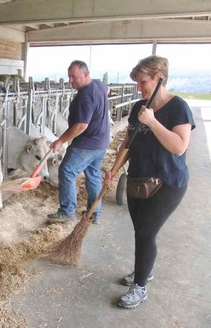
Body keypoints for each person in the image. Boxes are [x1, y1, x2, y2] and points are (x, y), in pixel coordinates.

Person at [105, 55, 195, 309]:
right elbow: (127, 144)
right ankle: (144, 270)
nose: (139, 87)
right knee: (141, 232)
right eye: (136, 82)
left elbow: (179, 146)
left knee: (146, 232)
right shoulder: (138, 108)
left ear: (160, 79)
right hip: (138, 181)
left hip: (168, 182)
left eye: (143, 81)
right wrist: (113, 170)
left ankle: (141, 286)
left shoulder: (178, 107)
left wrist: (153, 122)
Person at [48, 60, 110, 224]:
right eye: (69, 76)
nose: (70, 81)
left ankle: (67, 212)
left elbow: (82, 125)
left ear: (86, 74)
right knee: (93, 175)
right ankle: (94, 213)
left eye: (74, 77)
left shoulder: (85, 95)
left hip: (87, 143)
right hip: (101, 141)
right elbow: (107, 90)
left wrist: (61, 140)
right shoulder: (99, 84)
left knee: (67, 171)